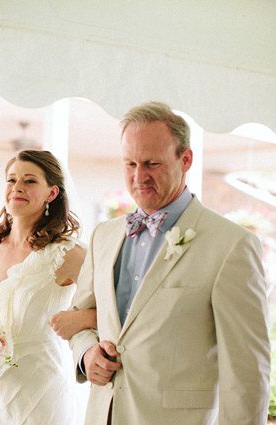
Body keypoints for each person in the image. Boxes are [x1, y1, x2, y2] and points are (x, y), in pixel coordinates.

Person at [60, 101, 270, 425]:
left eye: (151, 163)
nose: (138, 176)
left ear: (185, 159)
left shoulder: (232, 246)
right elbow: (81, 319)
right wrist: (87, 354)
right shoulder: (103, 236)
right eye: (129, 163)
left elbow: (246, 372)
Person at [0, 150, 95, 425]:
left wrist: (80, 319)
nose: (17, 188)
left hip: (42, 393)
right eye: (11, 180)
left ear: (52, 193)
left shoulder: (68, 254)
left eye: (29, 181)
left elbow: (112, 308)